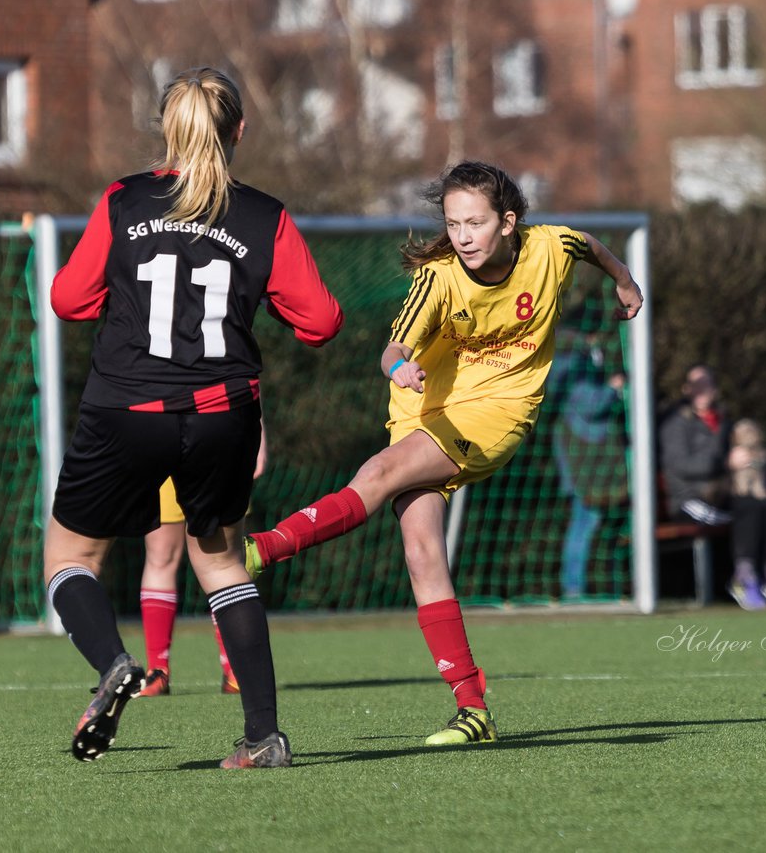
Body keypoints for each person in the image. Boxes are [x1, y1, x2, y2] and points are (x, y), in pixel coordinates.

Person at [243, 161, 643, 745]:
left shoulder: (550, 246)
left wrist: (625, 280)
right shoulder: (439, 277)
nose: (463, 236)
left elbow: (592, 246)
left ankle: (262, 551)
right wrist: (401, 366)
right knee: (422, 552)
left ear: (508, 223)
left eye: (475, 223)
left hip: (498, 415)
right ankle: (474, 710)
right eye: (454, 224)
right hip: (424, 408)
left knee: (378, 473)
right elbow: (391, 348)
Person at [45, 65, 343, 768]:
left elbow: (67, 299)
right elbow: (323, 322)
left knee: (70, 556)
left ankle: (116, 664)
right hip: (223, 413)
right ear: (240, 130)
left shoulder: (124, 200)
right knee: (221, 564)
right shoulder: (264, 216)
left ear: (165, 130)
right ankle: (263, 736)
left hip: (127, 407)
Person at [140, 425, 266, 697]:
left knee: (224, 556)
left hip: (219, 431)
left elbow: (249, 381)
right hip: (161, 435)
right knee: (161, 553)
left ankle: (235, 668)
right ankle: (157, 671)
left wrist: (258, 431)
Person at [659, 365, 766, 610]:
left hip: (721, 493)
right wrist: (724, 463)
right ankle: (744, 578)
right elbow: (679, 464)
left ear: (715, 390)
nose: (703, 390)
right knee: (745, 511)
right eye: (696, 384)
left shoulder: (723, 420)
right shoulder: (675, 423)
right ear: (686, 389)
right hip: (690, 499)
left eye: (707, 384)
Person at [548, 316, 630, 601]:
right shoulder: (573, 363)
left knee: (590, 526)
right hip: (583, 467)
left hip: (590, 466)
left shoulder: (576, 360)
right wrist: (614, 388)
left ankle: (585, 586)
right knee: (583, 526)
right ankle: (573, 588)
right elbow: (589, 405)